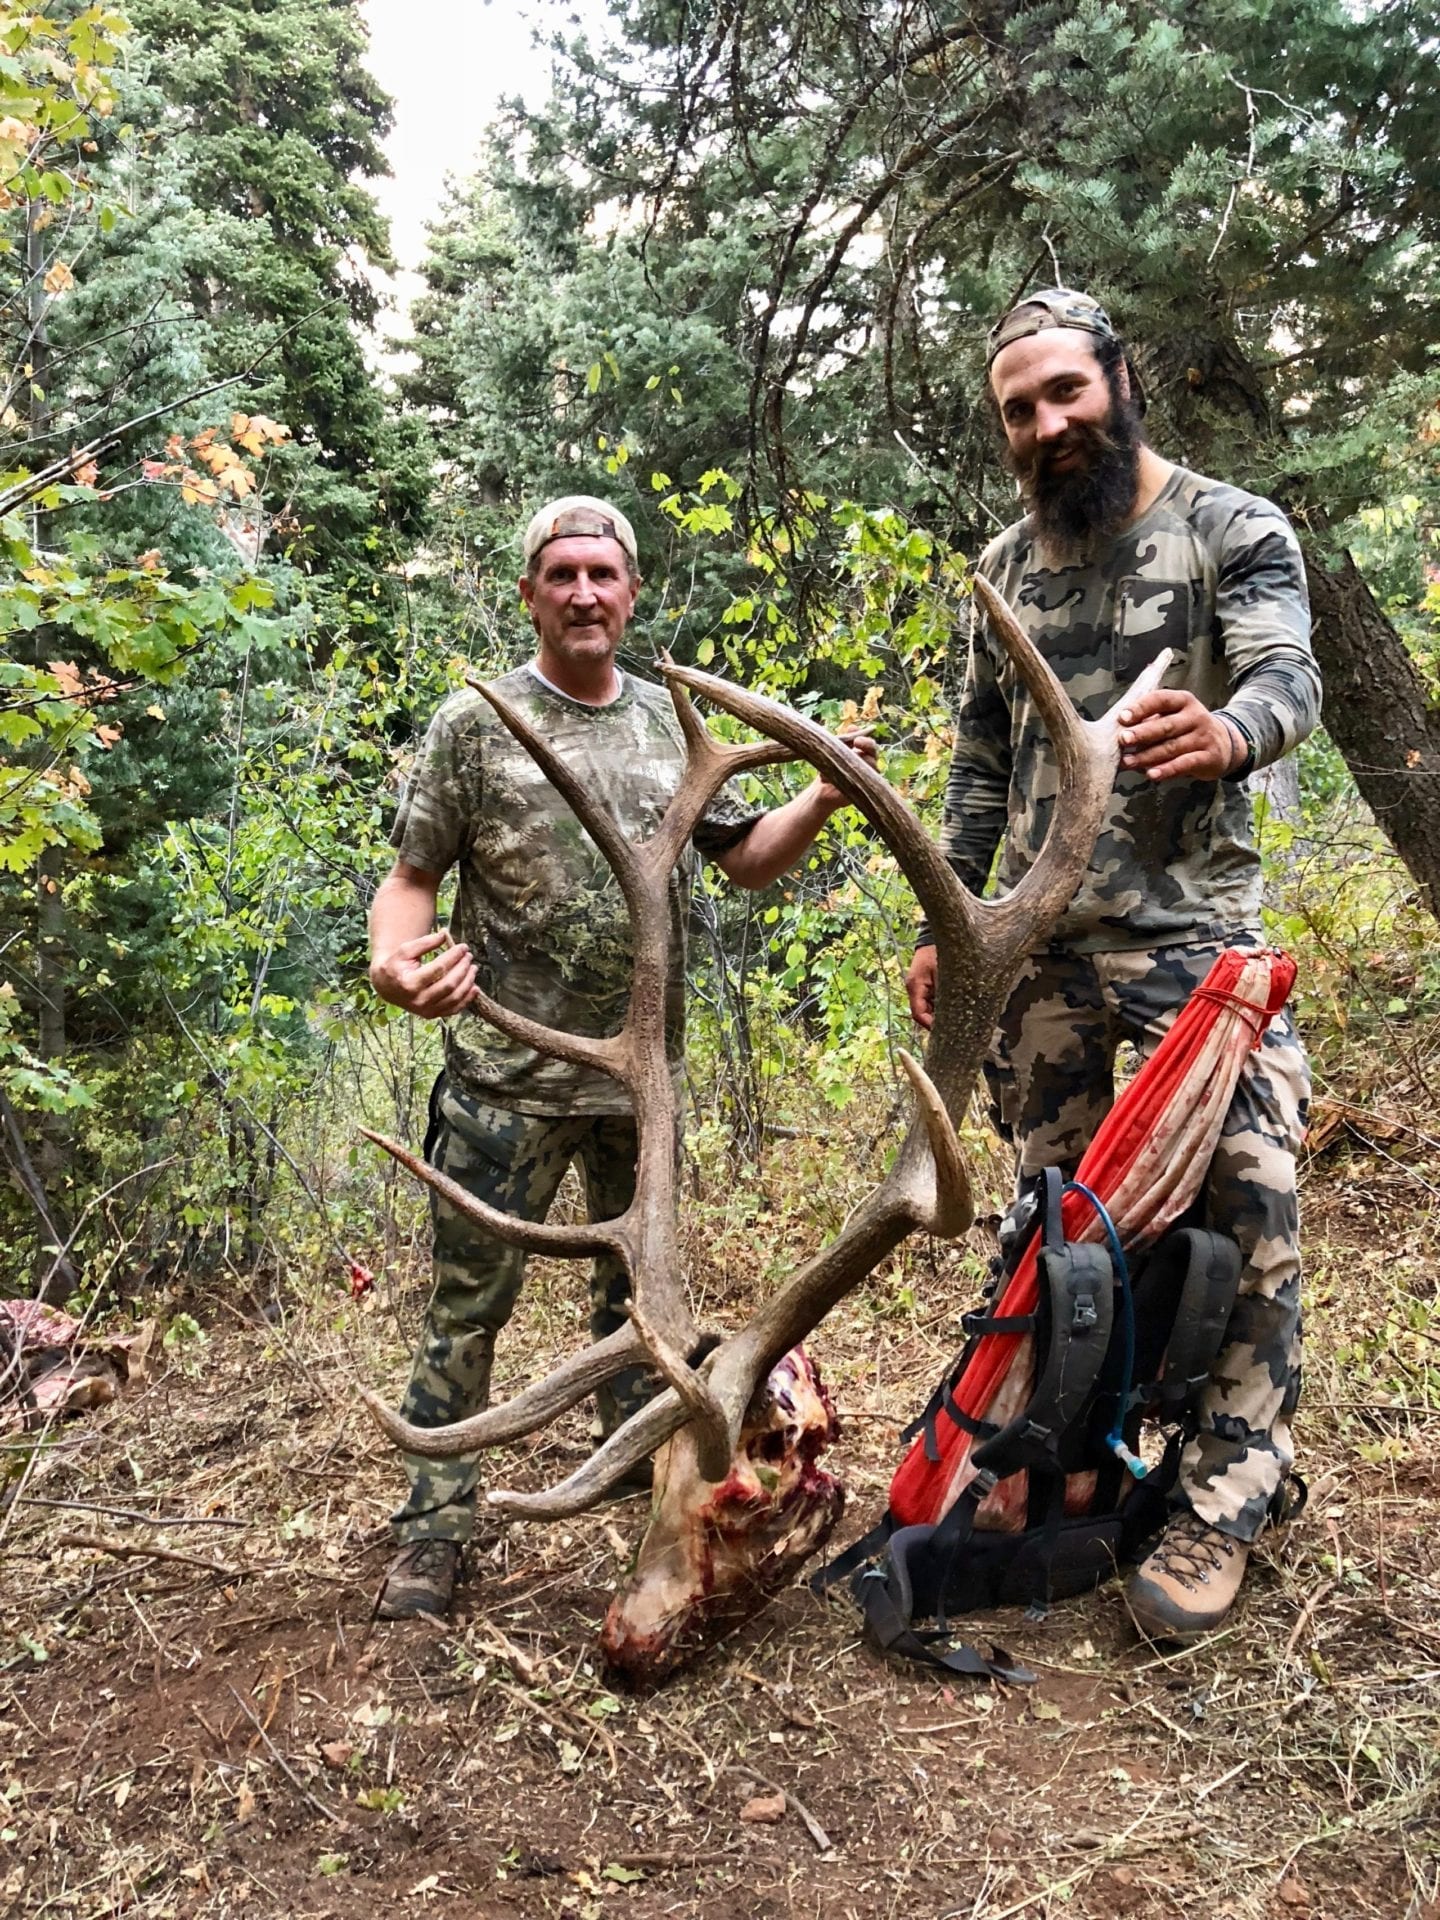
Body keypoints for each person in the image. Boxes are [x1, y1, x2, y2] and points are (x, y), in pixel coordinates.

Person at [369, 495, 875, 1619]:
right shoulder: (476, 722)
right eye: (563, 576)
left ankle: (639, 1506)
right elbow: (409, 882)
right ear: (530, 593)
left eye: (604, 574)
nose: (585, 593)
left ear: (632, 590)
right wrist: (396, 970)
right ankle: (435, 1531)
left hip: (636, 1096)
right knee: (467, 1309)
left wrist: (823, 794)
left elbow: (745, 861)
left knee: (638, 1316)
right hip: (506, 1087)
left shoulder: (673, 724)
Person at [905, 290, 1322, 1642]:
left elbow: (1287, 679)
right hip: (1037, 954)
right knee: (1060, 1234)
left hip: (1197, 939)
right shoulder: (1002, 571)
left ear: (1119, 379)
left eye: (1065, 394)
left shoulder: (1230, 528)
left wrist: (1231, 733)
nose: (1047, 426)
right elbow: (978, 763)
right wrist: (950, 923)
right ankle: (1073, 1462)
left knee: (1251, 1202)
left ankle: (1226, 1495)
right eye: (1020, 411)